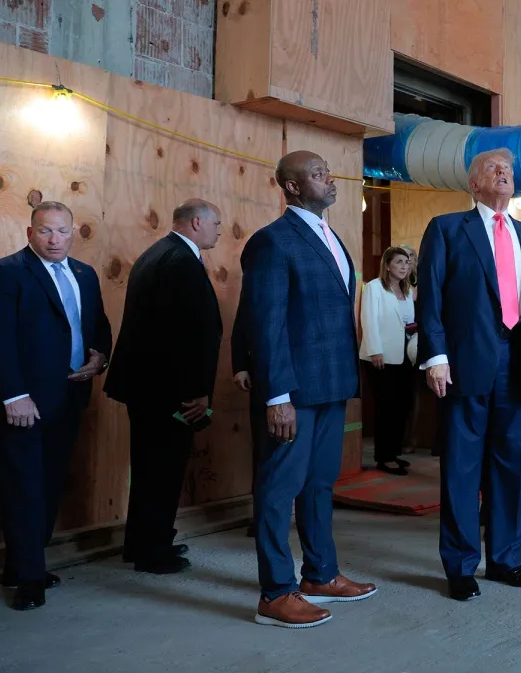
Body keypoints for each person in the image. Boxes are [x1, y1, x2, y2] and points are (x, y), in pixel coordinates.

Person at [417, 148, 521, 602]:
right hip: (464, 364)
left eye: (509, 170)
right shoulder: (446, 230)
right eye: (492, 169)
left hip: (518, 365)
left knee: (509, 466)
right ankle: (460, 566)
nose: (503, 174)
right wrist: (435, 356)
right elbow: (431, 299)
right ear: (473, 184)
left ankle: (505, 559)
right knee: (461, 468)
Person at [240, 150, 376, 629]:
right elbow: (265, 321)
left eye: (328, 172)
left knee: (320, 485)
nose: (330, 180)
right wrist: (277, 395)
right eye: (319, 175)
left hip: (332, 383)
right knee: (279, 489)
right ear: (293, 187)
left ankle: (320, 574)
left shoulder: (331, 236)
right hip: (294, 392)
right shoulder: (272, 242)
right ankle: (276, 592)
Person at [0, 201, 112, 610]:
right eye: (45, 231)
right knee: (23, 489)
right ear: (29, 233)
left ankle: (22, 565)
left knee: (50, 484)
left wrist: (99, 358)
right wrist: (13, 395)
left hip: (68, 397)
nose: (55, 239)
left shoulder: (85, 275)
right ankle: (29, 579)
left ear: (73, 233)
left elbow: (98, 326)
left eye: (62, 231)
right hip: (20, 403)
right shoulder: (1, 275)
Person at [104, 199, 224, 574]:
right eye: (216, 223)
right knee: (163, 471)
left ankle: (142, 542)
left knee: (148, 469)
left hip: (146, 385)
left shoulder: (156, 253)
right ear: (196, 222)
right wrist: (197, 392)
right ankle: (153, 552)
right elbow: (187, 336)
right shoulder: (181, 262)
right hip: (169, 390)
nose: (219, 230)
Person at [360, 245, 418, 475]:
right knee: (386, 408)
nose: (404, 266)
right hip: (380, 356)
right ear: (387, 265)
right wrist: (375, 350)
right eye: (398, 262)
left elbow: (409, 324)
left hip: (404, 355)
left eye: (406, 262)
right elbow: (369, 320)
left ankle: (394, 453)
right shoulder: (374, 287)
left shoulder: (407, 290)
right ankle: (383, 457)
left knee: (402, 407)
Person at [230, 299, 264, 539]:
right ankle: (262, 518)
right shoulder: (260, 271)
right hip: (263, 375)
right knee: (263, 453)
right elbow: (242, 323)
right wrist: (240, 365)